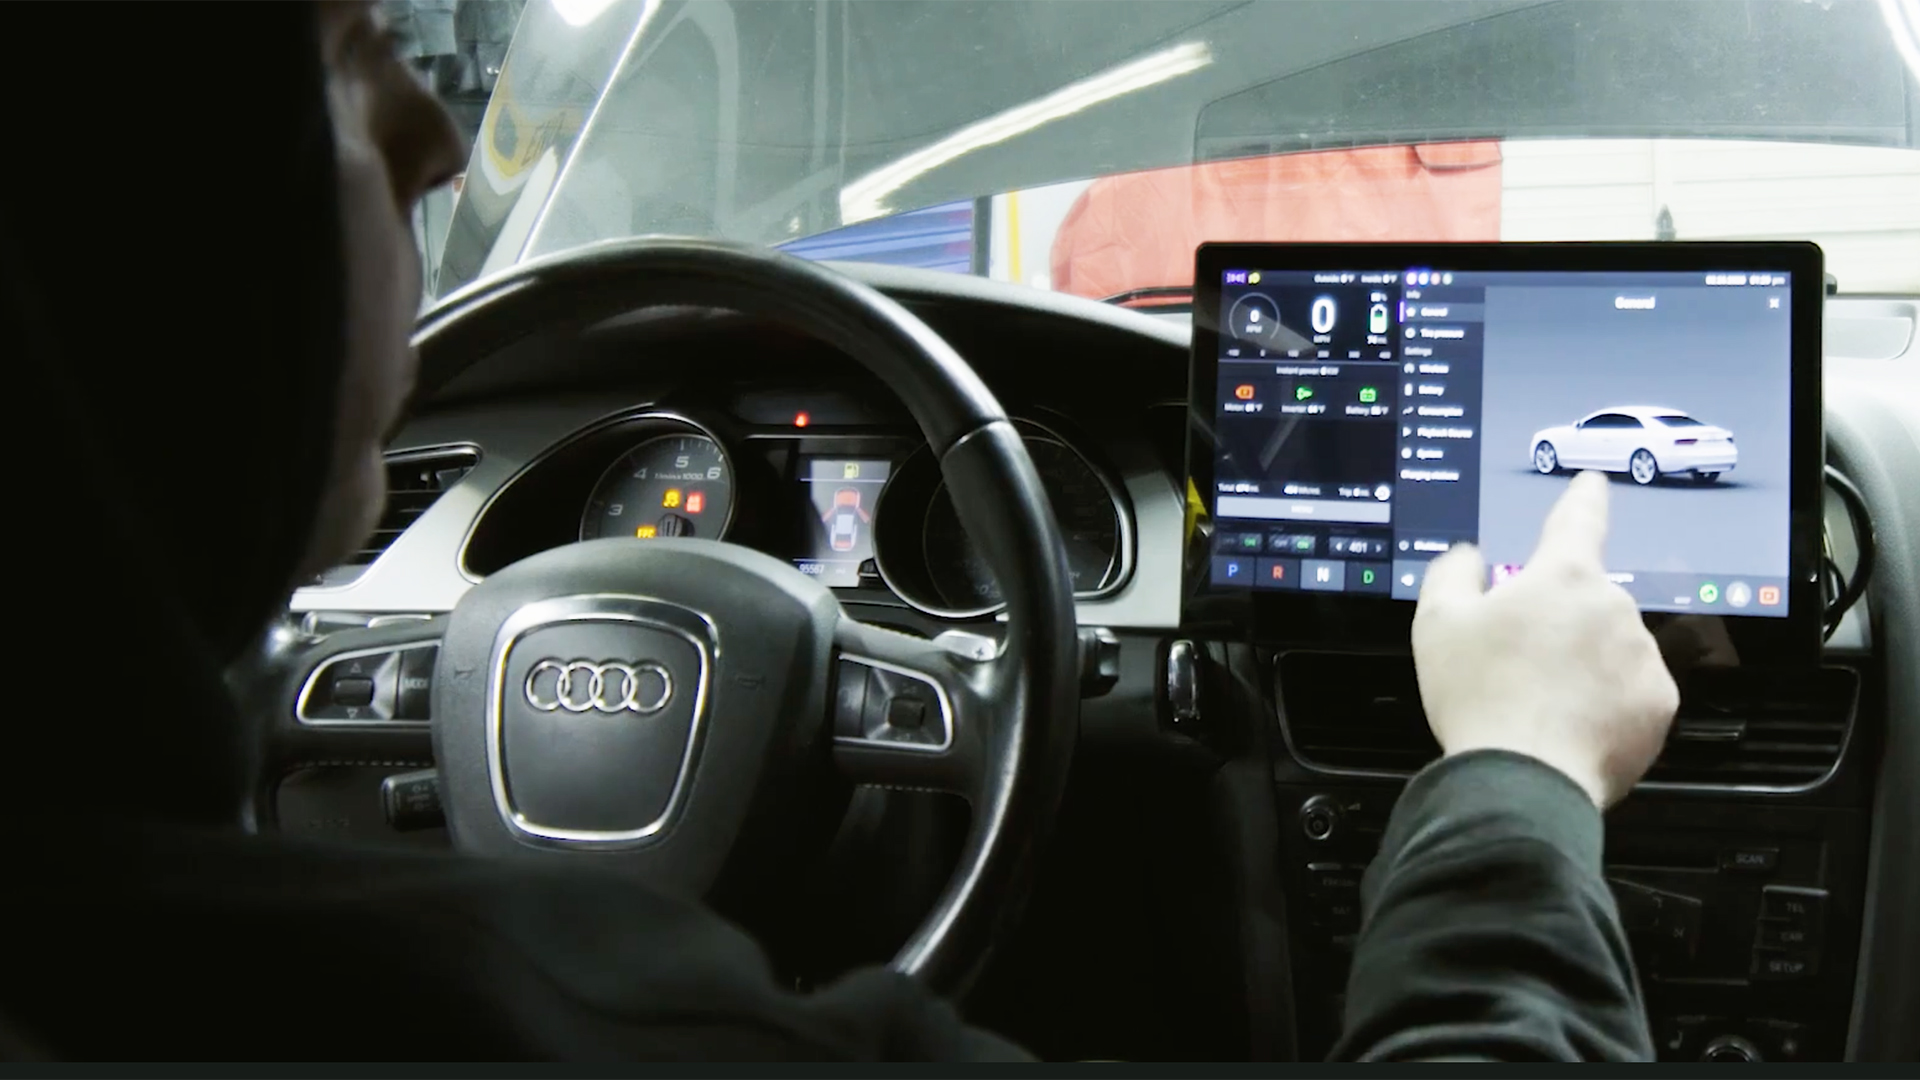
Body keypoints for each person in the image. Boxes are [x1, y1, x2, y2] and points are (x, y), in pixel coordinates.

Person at [1, 2, 1675, 1061]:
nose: (438, 142)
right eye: (343, 63)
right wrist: (1518, 771)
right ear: (162, 215)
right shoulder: (600, 1026)